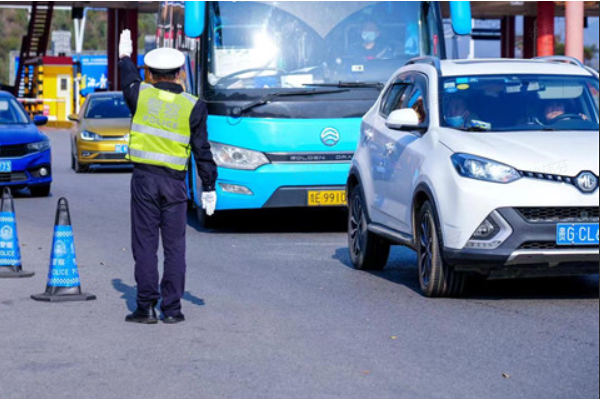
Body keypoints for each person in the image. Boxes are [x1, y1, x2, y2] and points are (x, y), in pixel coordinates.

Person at [118, 30, 218, 325]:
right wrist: (209, 186)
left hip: (145, 181)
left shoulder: (140, 95)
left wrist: (126, 55)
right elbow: (202, 149)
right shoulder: (194, 105)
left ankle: (146, 308)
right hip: (175, 185)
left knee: (145, 245)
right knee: (175, 248)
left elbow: (127, 78)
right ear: (178, 73)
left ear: (149, 73)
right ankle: (172, 310)